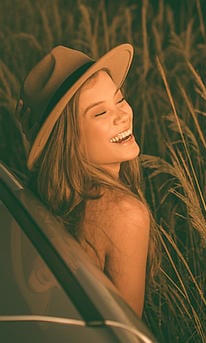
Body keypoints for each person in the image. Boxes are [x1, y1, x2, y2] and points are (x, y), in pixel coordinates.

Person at [17, 43, 155, 317]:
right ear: (68, 138)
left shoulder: (36, 195)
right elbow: (124, 335)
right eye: (100, 112)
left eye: (119, 99)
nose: (122, 115)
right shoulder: (125, 215)